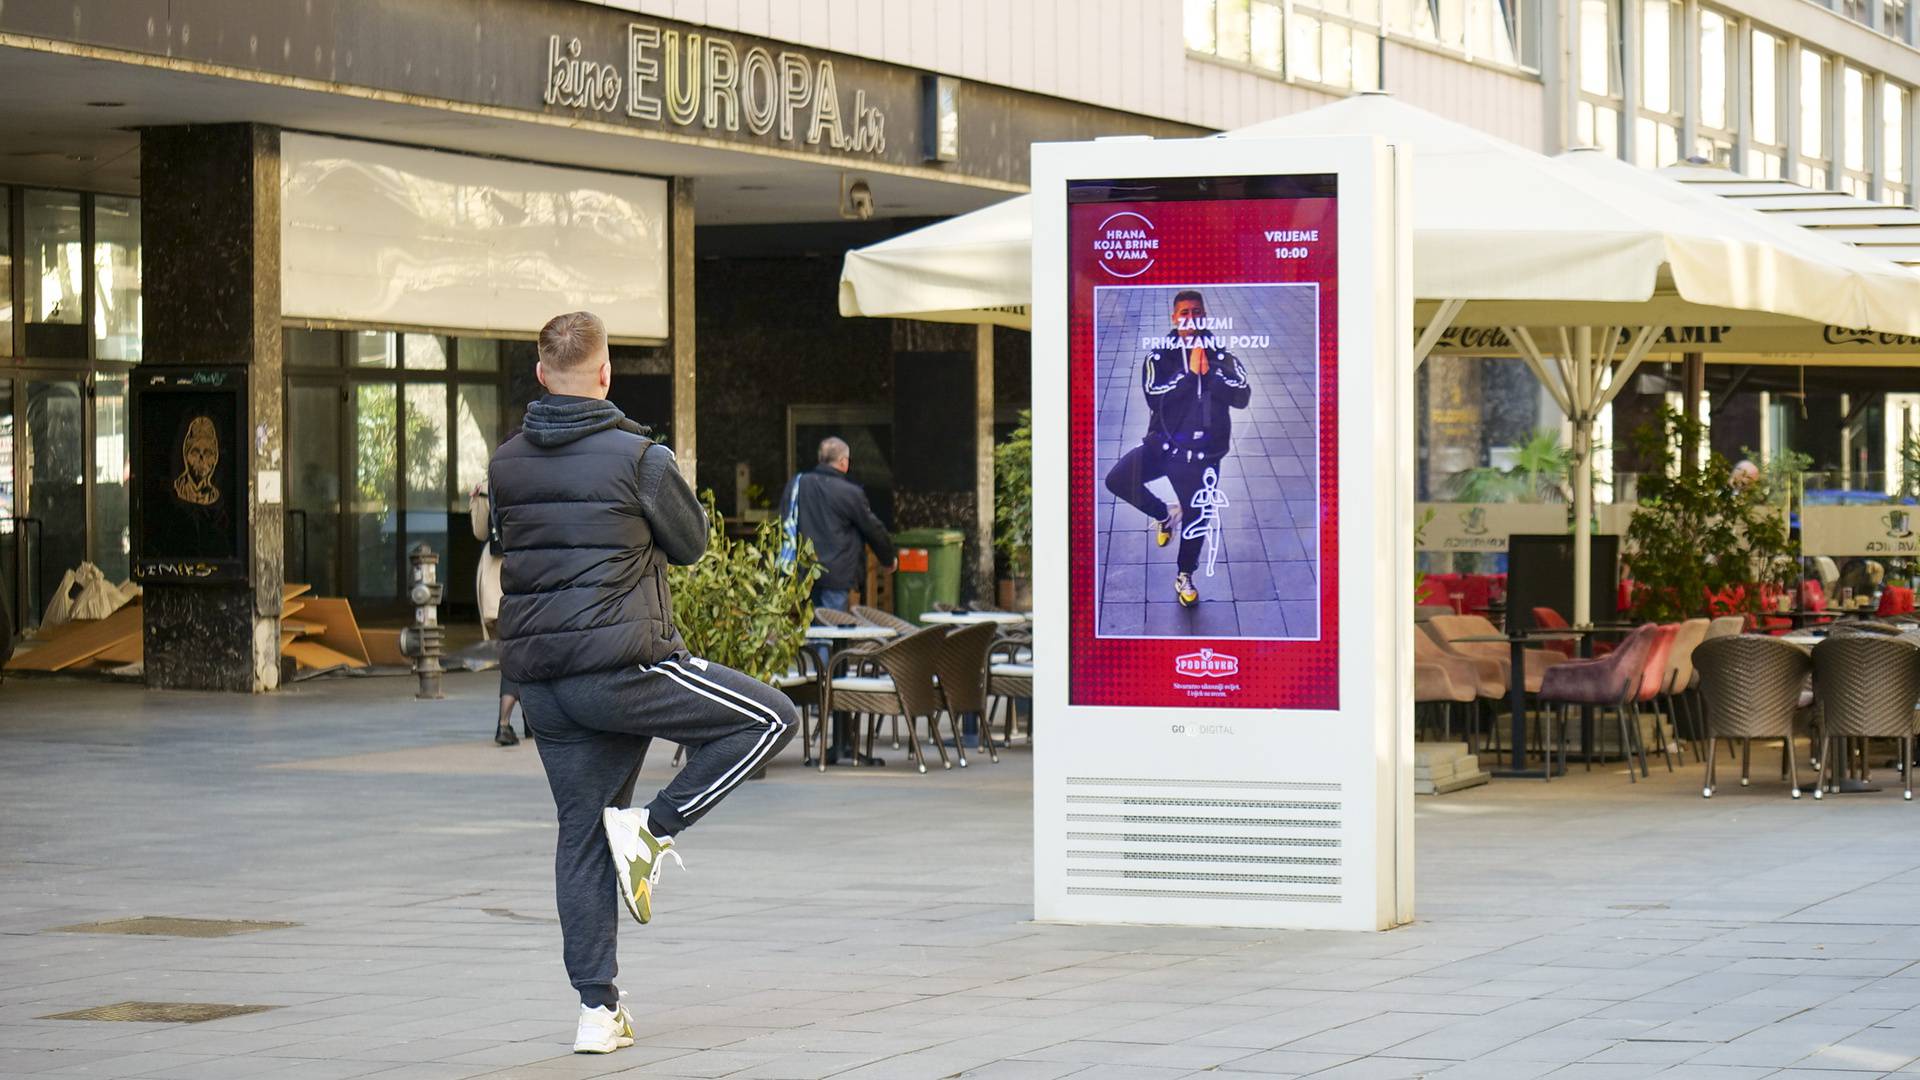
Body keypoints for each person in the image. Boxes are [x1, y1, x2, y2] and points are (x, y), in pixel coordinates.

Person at [490, 311, 799, 1056]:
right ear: (604, 374)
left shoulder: (505, 464)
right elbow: (691, 546)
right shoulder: (640, 458)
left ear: (540, 374)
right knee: (769, 720)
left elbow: (518, 548)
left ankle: (598, 1013)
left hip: (545, 686)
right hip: (626, 665)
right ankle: (652, 831)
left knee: (578, 835)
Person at [1103, 289, 1251, 607]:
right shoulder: (1159, 357)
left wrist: (1208, 375)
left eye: (1196, 312)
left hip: (1202, 457)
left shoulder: (1222, 356)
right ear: (1174, 318)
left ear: (1205, 315)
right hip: (1163, 446)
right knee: (1117, 480)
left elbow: (1242, 396)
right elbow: (1154, 396)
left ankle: (1185, 575)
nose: (1190, 318)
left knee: (1198, 517)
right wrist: (1188, 375)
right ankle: (1164, 514)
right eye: (1184, 313)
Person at [781, 436, 896, 614]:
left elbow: (784, 518)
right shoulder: (850, 493)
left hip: (803, 570)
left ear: (820, 459)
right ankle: (822, 643)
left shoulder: (798, 484)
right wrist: (888, 558)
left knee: (808, 626)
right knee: (830, 626)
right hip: (836, 574)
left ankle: (817, 643)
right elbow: (872, 528)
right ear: (843, 462)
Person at [468, 477, 525, 747]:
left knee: (518, 651)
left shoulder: (490, 483)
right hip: (524, 579)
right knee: (522, 652)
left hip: (494, 580)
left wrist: (477, 500)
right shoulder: (543, 476)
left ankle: (529, 722)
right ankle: (504, 723)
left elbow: (480, 532)